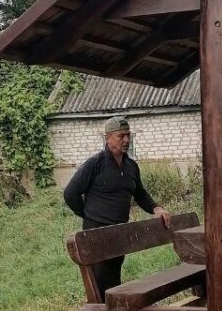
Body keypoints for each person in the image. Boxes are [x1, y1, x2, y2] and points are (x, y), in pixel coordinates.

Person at [63, 116, 173, 297]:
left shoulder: (131, 166)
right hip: (96, 233)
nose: (127, 140)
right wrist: (88, 216)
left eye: (128, 135)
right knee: (100, 284)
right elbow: (70, 194)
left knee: (114, 279)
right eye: (121, 136)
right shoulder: (94, 164)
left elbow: (139, 193)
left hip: (119, 231)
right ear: (107, 138)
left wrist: (156, 208)